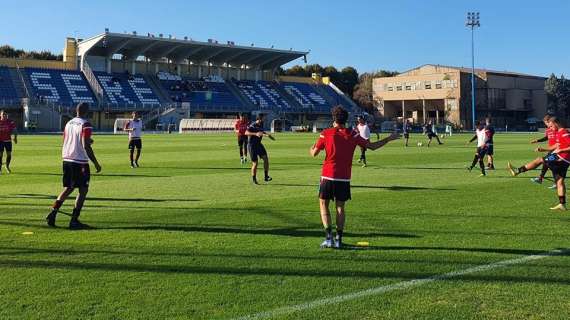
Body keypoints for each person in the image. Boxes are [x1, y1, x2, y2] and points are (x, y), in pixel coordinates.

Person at [310, 106, 400, 249]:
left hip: (327, 176)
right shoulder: (353, 134)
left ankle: (329, 239)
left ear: (334, 119)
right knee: (340, 208)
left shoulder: (326, 133)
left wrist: (312, 147)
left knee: (323, 205)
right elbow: (372, 146)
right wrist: (389, 138)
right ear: (346, 120)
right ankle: (339, 240)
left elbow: (313, 153)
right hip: (344, 178)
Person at [45, 103, 102, 229]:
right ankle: (74, 220)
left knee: (68, 188)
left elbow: (67, 139)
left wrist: (86, 141)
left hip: (67, 158)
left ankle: (52, 213)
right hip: (79, 161)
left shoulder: (69, 123)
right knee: (83, 190)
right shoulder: (85, 124)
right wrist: (96, 163)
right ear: (87, 112)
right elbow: (85, 145)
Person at [508, 116, 570, 211]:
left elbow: (563, 147)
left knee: (540, 160)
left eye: (551, 126)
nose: (551, 129)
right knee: (559, 181)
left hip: (561, 158)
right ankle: (562, 204)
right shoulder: (559, 132)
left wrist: (561, 149)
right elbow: (556, 146)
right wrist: (544, 149)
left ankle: (518, 171)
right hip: (564, 160)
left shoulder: (564, 132)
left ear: (556, 123)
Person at [245, 114, 274, 184]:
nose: (265, 119)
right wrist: (255, 134)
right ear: (260, 118)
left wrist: (267, 135)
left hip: (259, 144)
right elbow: (246, 132)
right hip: (252, 145)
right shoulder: (253, 125)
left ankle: (266, 177)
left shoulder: (261, 124)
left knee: (266, 159)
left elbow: (261, 131)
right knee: (255, 163)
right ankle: (254, 179)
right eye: (264, 118)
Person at [530, 115, 556, 188]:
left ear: (549, 121)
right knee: (546, 163)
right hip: (550, 150)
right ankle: (540, 178)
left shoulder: (555, 129)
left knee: (550, 164)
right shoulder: (548, 130)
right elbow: (546, 138)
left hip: (556, 151)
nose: (546, 124)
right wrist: (537, 140)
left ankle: (556, 182)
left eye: (546, 122)